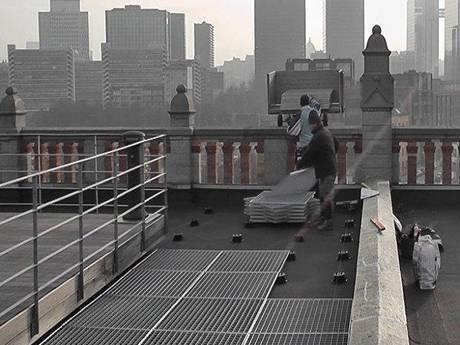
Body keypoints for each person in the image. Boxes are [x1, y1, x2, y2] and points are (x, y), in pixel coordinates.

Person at [296, 110, 339, 230]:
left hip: (327, 170)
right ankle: (324, 218)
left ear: (314, 123)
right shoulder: (326, 132)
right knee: (323, 194)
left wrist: (299, 165)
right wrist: (330, 154)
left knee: (325, 195)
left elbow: (309, 154)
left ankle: (328, 221)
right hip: (327, 168)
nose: (309, 126)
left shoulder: (318, 136)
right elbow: (337, 144)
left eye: (310, 124)